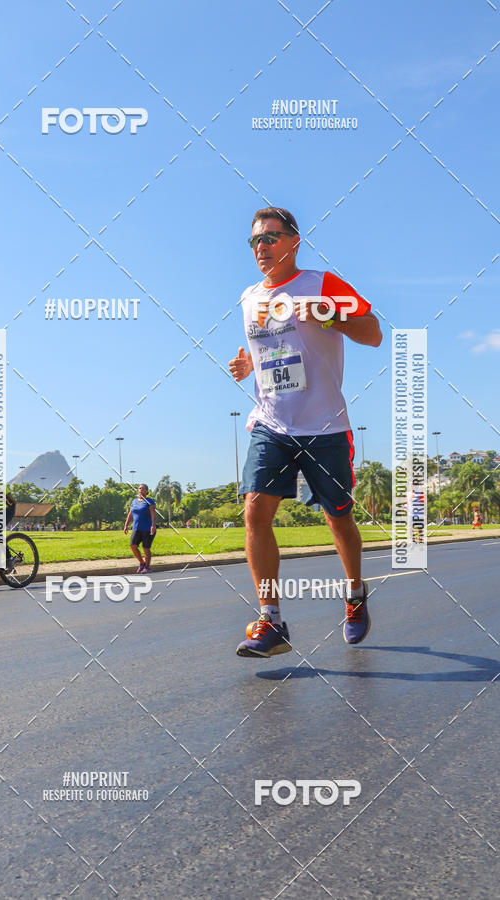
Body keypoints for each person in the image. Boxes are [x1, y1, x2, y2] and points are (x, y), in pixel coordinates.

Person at [229, 207, 382, 658]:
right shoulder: (248, 298)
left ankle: (354, 596)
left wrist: (330, 316)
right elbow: (273, 352)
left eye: (271, 238)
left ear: (294, 241)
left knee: (339, 519)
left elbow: (373, 333)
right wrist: (246, 366)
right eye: (255, 240)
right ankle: (271, 620)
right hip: (271, 422)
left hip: (324, 426)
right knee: (255, 512)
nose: (262, 247)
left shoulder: (322, 284)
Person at [124, 483, 156, 573]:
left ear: (147, 491)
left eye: (142, 489)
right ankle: (142, 563)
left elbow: (153, 515)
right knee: (132, 545)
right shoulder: (134, 501)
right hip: (136, 528)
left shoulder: (150, 501)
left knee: (146, 548)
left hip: (147, 529)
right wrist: (126, 525)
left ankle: (147, 567)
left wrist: (153, 525)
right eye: (139, 488)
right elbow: (130, 514)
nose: (140, 490)